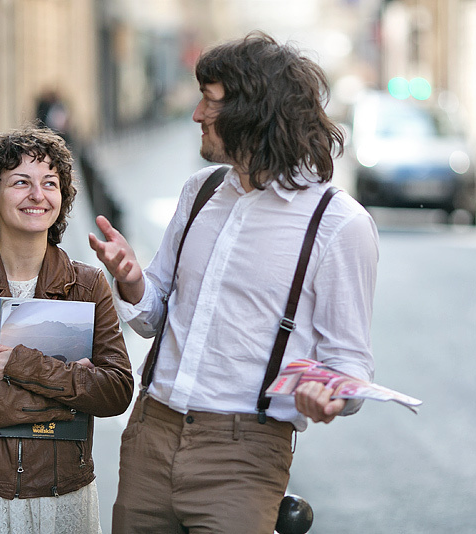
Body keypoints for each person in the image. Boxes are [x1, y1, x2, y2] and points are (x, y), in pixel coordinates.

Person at [89, 32, 379, 533]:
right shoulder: (199, 193)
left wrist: (330, 395)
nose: (196, 114)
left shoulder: (338, 224)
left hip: (244, 456)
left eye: (210, 100)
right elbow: (154, 315)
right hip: (151, 436)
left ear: (253, 113)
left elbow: (349, 363)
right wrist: (133, 281)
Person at [0, 125, 134, 533]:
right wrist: (71, 397)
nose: (38, 195)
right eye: (21, 182)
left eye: (50, 183)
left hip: (62, 496)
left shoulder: (89, 284)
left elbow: (116, 390)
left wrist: (23, 365)